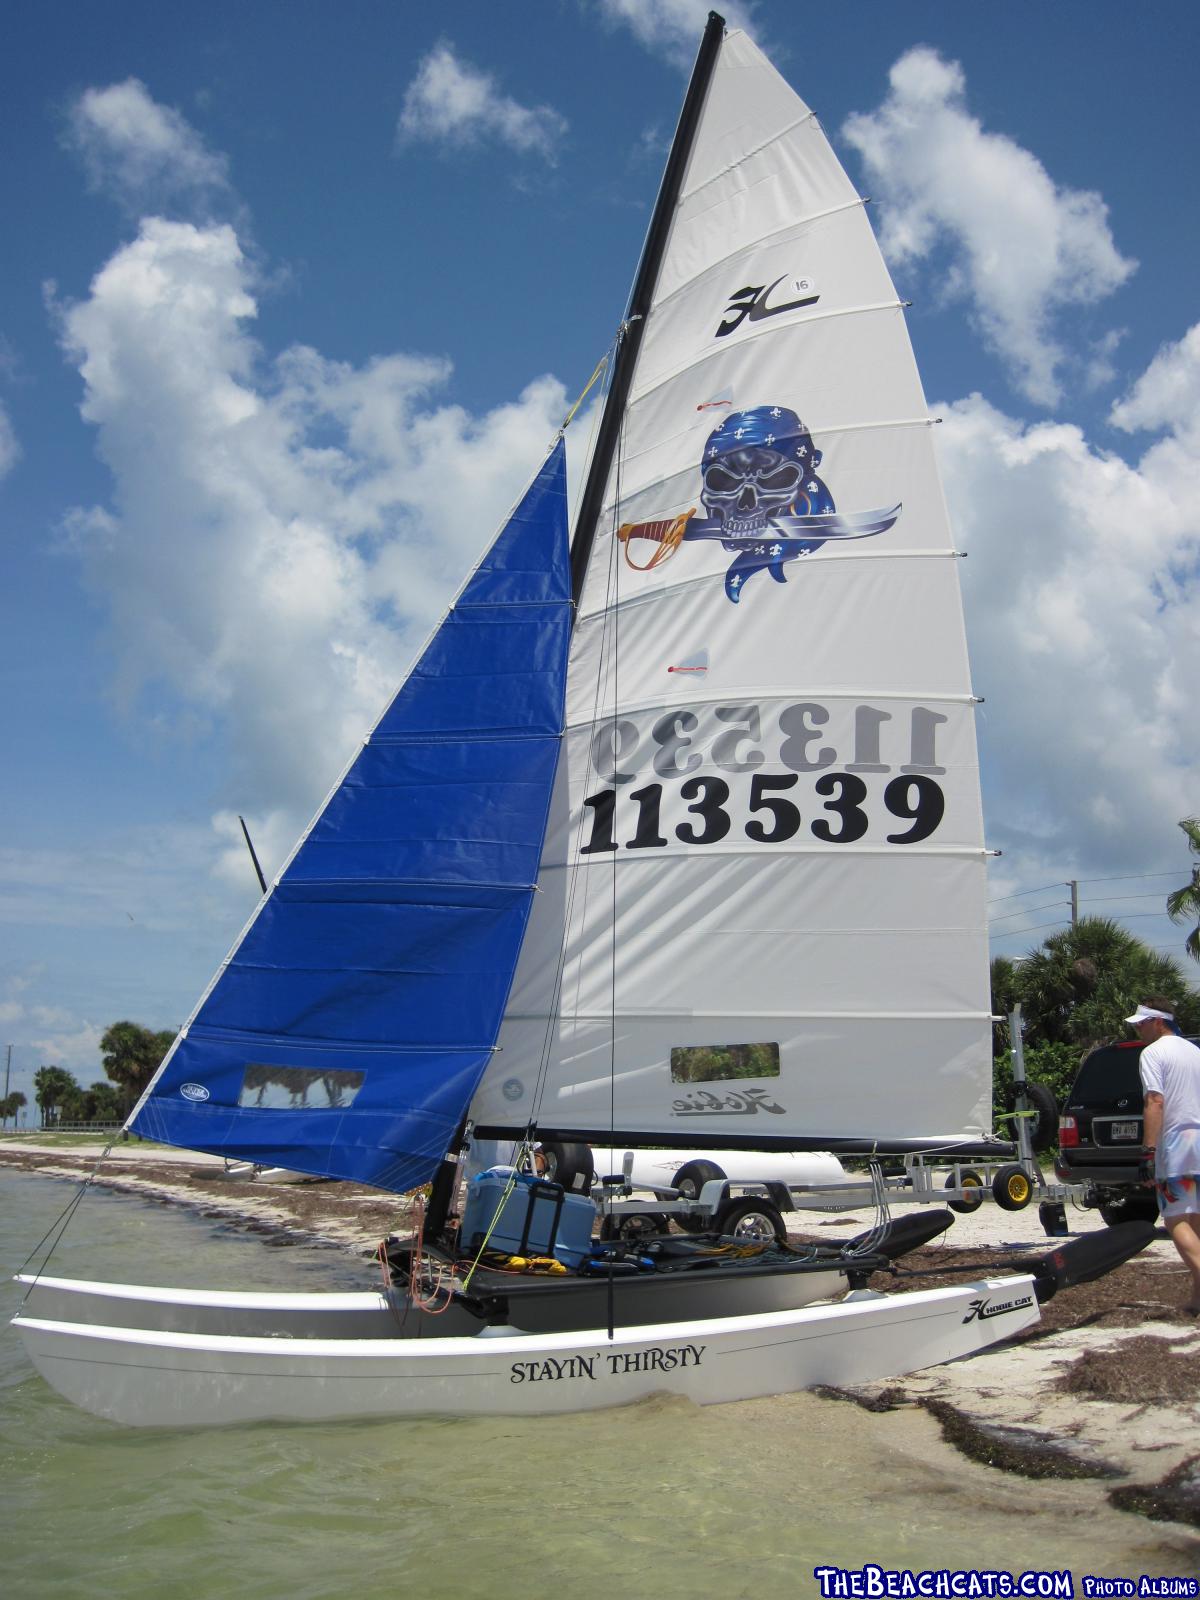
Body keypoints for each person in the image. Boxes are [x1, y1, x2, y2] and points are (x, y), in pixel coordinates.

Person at [1126, 999, 1200, 1313]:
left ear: (1158, 1022)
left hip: (1177, 1143)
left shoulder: (1153, 1053)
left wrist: (1148, 1151)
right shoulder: (1195, 1052)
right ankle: (1198, 1301)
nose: (1137, 1029)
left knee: (1174, 1220)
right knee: (1196, 1221)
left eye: (1141, 1023)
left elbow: (1155, 1101)